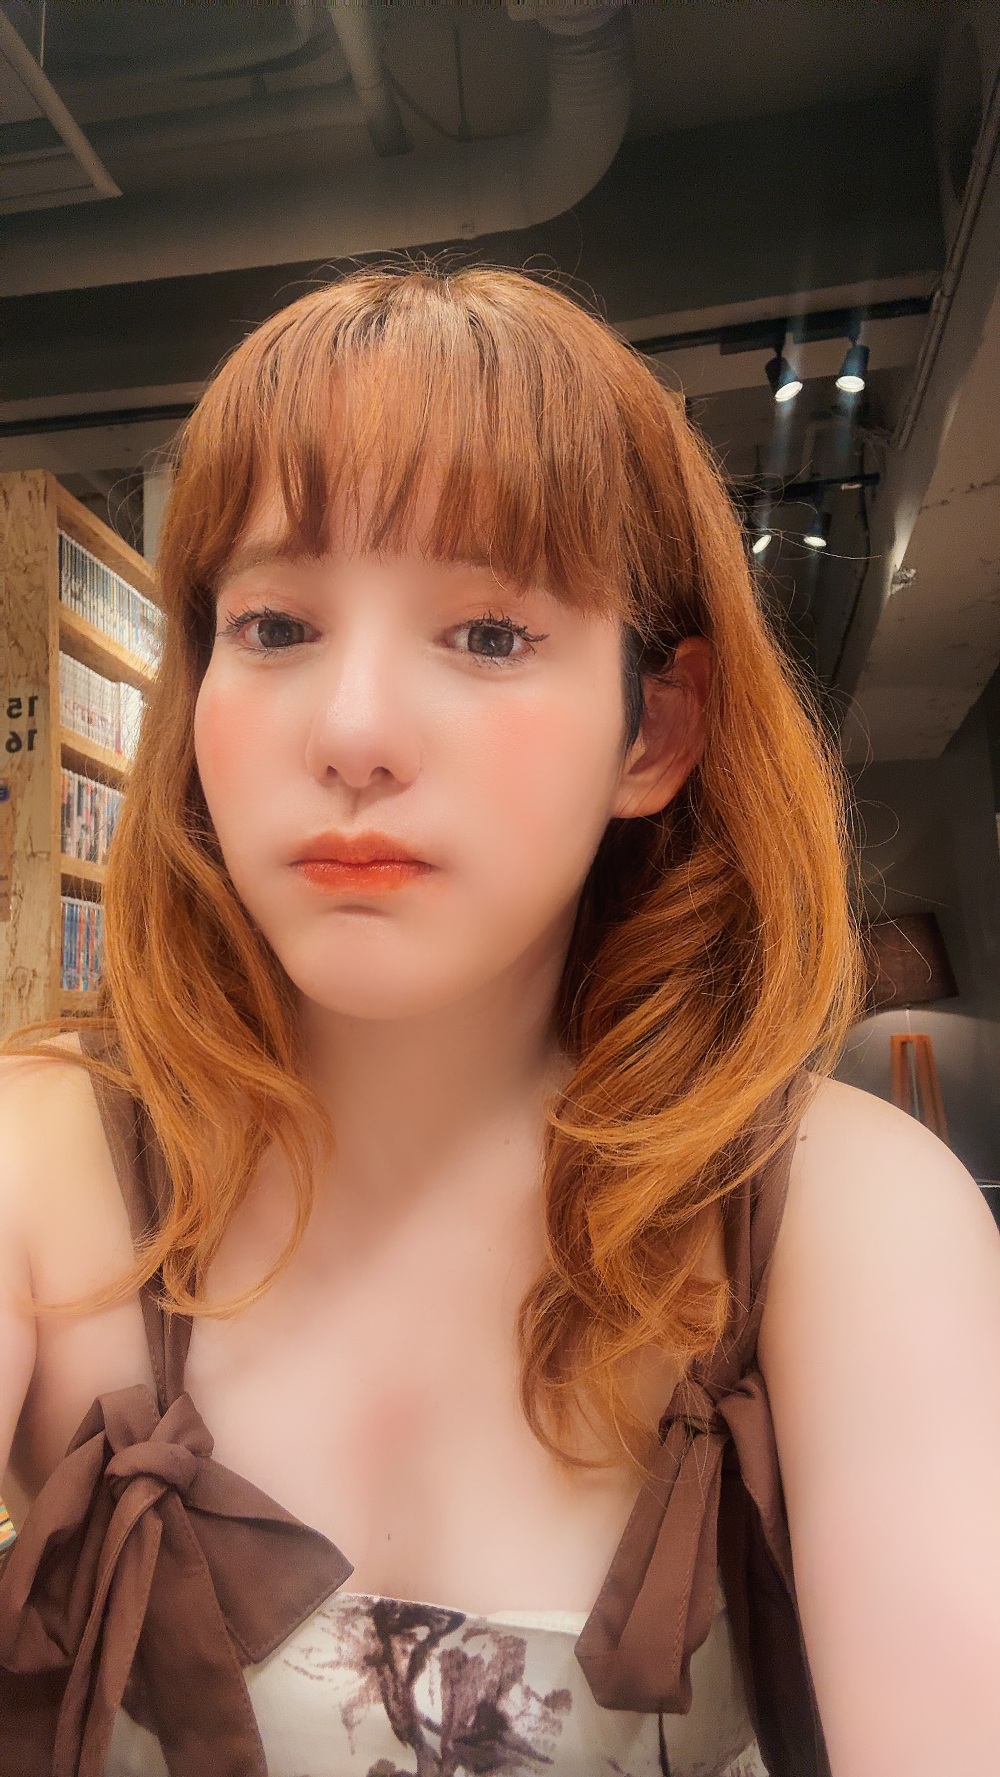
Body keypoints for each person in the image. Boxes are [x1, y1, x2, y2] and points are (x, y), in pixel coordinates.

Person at [1, 261, 998, 1777]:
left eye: (487, 635)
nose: (353, 733)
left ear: (654, 729)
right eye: (273, 625)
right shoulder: (44, 1170)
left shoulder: (837, 1218)